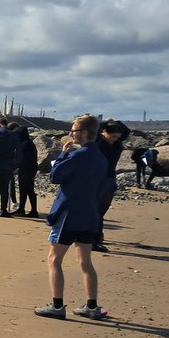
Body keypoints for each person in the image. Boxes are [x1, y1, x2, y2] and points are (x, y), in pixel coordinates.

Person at [35, 114, 107, 320]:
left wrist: (63, 156)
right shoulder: (100, 157)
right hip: (90, 213)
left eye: (74, 130)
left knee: (54, 259)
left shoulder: (79, 155)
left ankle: (57, 305)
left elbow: (54, 176)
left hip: (70, 213)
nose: (70, 134)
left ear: (84, 132)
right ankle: (92, 306)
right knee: (85, 260)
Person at [93, 119, 130, 252]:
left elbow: (127, 132)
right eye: (113, 136)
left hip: (109, 180)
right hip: (97, 180)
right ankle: (94, 239)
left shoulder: (117, 145)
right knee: (96, 211)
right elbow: (96, 129)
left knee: (101, 211)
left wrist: (118, 122)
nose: (115, 139)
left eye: (117, 137)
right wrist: (105, 123)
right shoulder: (98, 142)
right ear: (104, 132)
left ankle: (96, 237)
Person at [13, 124, 40, 217]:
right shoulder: (28, 143)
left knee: (28, 190)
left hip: (26, 170)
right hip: (30, 169)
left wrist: (16, 167)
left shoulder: (25, 144)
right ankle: (23, 209)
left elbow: (22, 159)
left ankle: (32, 210)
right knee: (25, 190)